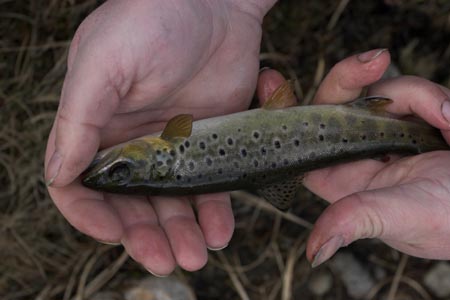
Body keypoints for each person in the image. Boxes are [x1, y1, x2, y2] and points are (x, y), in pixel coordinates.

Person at [45, 0, 450, 276]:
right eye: (122, 172)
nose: (112, 165)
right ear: (162, 156)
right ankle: (413, 136)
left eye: (121, 172)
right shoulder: (170, 139)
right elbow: (179, 124)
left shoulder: (169, 143)